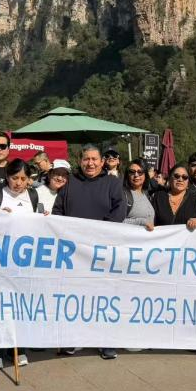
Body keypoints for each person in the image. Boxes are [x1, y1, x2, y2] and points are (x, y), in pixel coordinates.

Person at [52, 144, 126, 359]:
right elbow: (58, 212)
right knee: (75, 297)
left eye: (95, 159)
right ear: (80, 161)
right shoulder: (70, 183)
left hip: (102, 251)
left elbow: (119, 210)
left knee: (103, 298)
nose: (90, 163)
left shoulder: (112, 183)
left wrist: (99, 234)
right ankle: (73, 340)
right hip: (73, 252)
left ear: (102, 162)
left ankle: (105, 342)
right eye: (86, 159)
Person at [0, 158, 43, 369]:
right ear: (7, 177)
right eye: (14, 178)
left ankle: (18, 348)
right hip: (0, 260)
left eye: (23, 178)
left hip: (25, 261)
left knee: (20, 306)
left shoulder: (33, 195)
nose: (18, 183)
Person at [152, 163, 196, 228]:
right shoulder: (158, 197)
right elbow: (149, 220)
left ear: (188, 181)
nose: (180, 179)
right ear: (170, 178)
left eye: (185, 177)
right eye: (176, 176)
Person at [122, 158, 155, 229]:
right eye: (132, 171)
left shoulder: (146, 194)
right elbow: (117, 222)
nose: (136, 175)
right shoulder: (123, 194)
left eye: (140, 172)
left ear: (145, 175)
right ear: (127, 175)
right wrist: (142, 222)